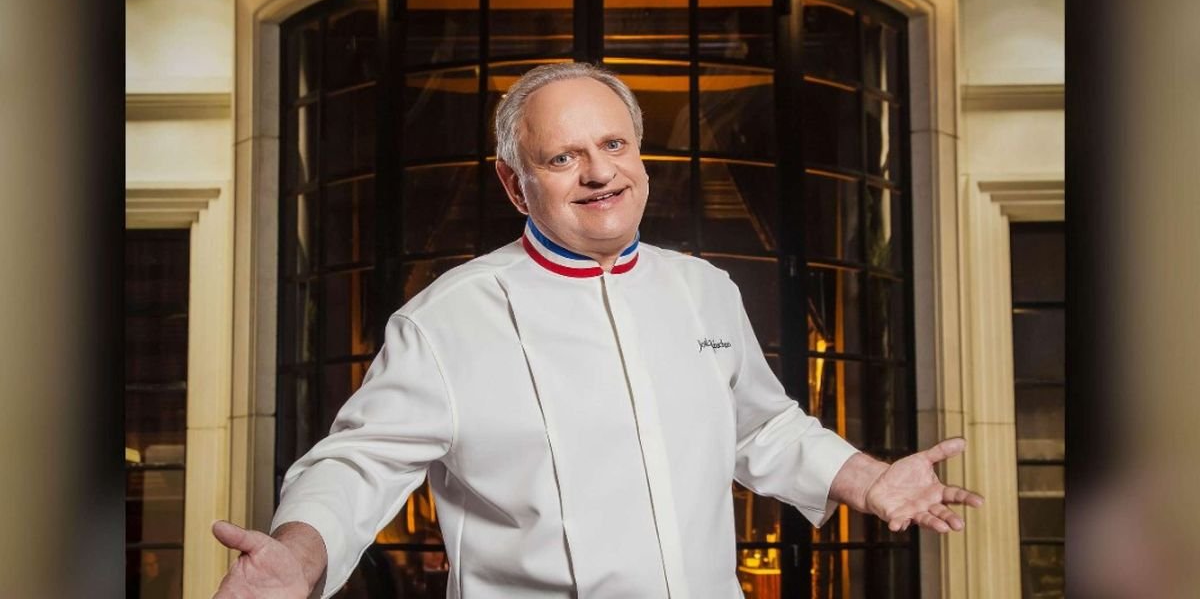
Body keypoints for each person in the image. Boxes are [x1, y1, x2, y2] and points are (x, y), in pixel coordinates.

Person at [211, 62, 983, 598]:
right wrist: (300, 557)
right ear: (515, 183)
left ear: (639, 156)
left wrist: (869, 481)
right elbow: (359, 464)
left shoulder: (704, 290)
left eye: (614, 145)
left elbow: (760, 427)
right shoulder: (448, 317)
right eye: (562, 156)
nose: (599, 173)